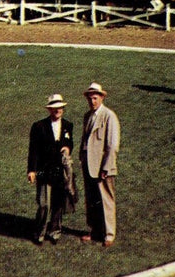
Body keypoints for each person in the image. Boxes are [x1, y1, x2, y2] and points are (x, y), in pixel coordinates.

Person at [26, 94, 75, 246]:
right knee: (43, 204)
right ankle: (39, 232)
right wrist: (32, 170)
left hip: (60, 172)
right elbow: (33, 150)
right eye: (54, 108)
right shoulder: (39, 126)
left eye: (60, 107)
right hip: (44, 171)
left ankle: (54, 231)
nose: (57, 110)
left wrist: (67, 147)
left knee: (58, 204)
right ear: (49, 109)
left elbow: (69, 142)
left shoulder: (68, 125)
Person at [79, 82, 120, 247]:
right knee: (92, 200)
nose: (92, 102)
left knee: (106, 199)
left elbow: (113, 144)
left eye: (95, 98)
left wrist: (106, 166)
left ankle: (109, 234)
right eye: (90, 99)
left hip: (102, 166)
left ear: (101, 98)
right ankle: (95, 230)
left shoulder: (109, 116)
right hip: (89, 165)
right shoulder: (87, 116)